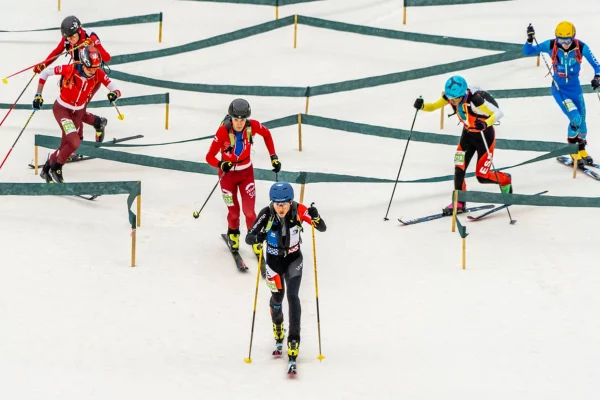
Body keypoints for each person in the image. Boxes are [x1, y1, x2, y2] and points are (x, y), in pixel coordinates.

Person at [245, 182, 326, 364]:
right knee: (277, 298)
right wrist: (258, 237)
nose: (281, 208)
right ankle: (278, 324)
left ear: (291, 202)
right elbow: (249, 237)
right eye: (277, 204)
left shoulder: (299, 210)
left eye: (284, 204)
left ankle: (294, 340)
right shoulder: (266, 213)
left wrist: (316, 217)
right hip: (273, 261)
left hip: (293, 259)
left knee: (292, 296)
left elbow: (322, 228)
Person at [413, 75, 512, 215]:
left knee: (482, 176)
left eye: (455, 98)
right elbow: (434, 106)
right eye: (450, 98)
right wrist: (421, 105)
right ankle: (459, 202)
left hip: (484, 136)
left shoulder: (476, 100)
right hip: (467, 136)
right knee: (459, 169)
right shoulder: (451, 97)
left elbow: (498, 113)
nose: (452, 102)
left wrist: (485, 123)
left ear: (462, 94)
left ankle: (505, 179)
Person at [33, 46, 121, 183]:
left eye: (95, 68)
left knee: (65, 145)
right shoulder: (70, 69)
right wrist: (38, 95)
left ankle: (46, 169)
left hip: (78, 112)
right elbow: (45, 73)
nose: (93, 71)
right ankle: (56, 168)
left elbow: (114, 86)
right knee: (74, 142)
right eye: (90, 68)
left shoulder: (97, 72)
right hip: (62, 109)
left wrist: (114, 93)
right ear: (84, 63)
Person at [205, 98, 282, 257]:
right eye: (235, 119)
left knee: (249, 212)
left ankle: (253, 238)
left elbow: (267, 134)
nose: (239, 123)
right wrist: (221, 164)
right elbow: (209, 156)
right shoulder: (223, 131)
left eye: (242, 119)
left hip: (246, 174)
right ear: (230, 118)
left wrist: (273, 156)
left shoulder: (252, 125)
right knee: (234, 212)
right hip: (227, 177)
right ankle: (233, 234)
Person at [523, 21, 600, 166]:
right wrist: (529, 39)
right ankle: (572, 149)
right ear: (556, 37)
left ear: (574, 37)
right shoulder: (550, 45)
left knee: (583, 123)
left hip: (575, 89)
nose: (565, 43)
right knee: (575, 119)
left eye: (568, 40)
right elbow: (528, 51)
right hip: (560, 90)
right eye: (561, 40)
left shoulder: (581, 47)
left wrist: (597, 77)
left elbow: (597, 66)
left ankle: (581, 149)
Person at [33, 15, 112, 145]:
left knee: (78, 111)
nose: (71, 40)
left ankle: (77, 143)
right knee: (73, 109)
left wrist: (93, 45)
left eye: (72, 37)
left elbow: (107, 58)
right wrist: (43, 65)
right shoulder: (67, 39)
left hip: (91, 79)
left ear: (79, 30)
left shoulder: (90, 36)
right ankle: (98, 122)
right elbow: (56, 52)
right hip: (74, 77)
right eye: (68, 38)